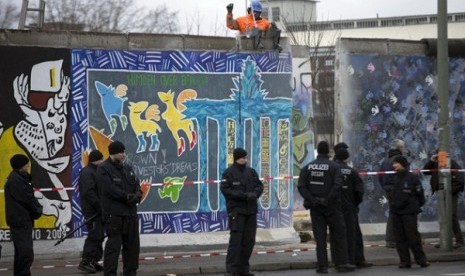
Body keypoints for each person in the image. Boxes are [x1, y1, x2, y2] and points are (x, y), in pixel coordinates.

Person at [298, 141, 355, 273]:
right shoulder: (335, 167)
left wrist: (313, 199)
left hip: (316, 208)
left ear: (318, 151)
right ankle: (342, 263)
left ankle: (322, 265)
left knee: (320, 237)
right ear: (328, 151)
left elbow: (301, 186)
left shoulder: (307, 167)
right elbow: (338, 185)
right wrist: (328, 199)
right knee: (339, 235)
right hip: (332, 207)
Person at [97, 141, 142, 276]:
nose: (124, 155)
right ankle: (110, 273)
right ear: (113, 153)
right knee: (113, 248)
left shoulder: (127, 168)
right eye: (121, 152)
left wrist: (138, 195)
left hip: (130, 214)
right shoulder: (104, 169)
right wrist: (127, 197)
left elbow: (136, 184)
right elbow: (110, 189)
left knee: (132, 248)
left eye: (124, 152)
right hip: (114, 215)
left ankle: (131, 272)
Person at [221, 148, 264, 276]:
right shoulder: (229, 173)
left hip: (251, 211)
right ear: (236, 158)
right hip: (237, 212)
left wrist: (254, 194)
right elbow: (226, 190)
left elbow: (259, 186)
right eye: (242, 157)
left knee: (249, 242)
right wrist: (243, 196)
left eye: (245, 157)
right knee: (236, 241)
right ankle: (232, 270)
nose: (245, 159)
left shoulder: (251, 172)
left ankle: (243, 269)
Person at [333, 148, 373, 269]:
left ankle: (341, 261)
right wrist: (355, 204)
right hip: (350, 208)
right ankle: (356, 259)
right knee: (353, 234)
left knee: (338, 235)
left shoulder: (332, 170)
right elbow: (359, 191)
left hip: (336, 208)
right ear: (346, 158)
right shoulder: (352, 172)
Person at [4, 154, 43, 276]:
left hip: (20, 220)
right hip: (21, 221)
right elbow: (28, 199)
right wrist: (38, 210)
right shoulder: (16, 181)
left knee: (21, 253)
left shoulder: (17, 178)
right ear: (22, 165)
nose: (28, 166)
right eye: (26, 164)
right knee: (25, 253)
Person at [389, 156, 429, 268]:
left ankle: (421, 260)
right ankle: (405, 261)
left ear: (402, 164)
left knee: (413, 237)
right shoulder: (394, 177)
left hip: (409, 213)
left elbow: (420, 195)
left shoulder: (412, 177)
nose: (394, 165)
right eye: (394, 163)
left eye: (396, 163)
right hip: (396, 212)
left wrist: (414, 207)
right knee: (399, 239)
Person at [423, 152, 464, 248]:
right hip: (441, 193)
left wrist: (449, 191)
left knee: (451, 215)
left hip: (450, 194)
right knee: (443, 216)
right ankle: (445, 239)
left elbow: (460, 180)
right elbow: (425, 171)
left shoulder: (452, 163)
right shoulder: (436, 164)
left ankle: (459, 240)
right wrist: (431, 160)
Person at [78, 149, 105, 273]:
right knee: (95, 235)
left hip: (96, 210)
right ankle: (86, 261)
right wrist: (99, 206)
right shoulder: (88, 173)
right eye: (101, 159)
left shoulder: (93, 171)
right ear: (98, 160)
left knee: (99, 235)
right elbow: (89, 193)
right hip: (92, 211)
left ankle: (94, 261)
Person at [378, 138, 405, 248]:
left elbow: (380, 176)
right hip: (398, 190)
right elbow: (404, 176)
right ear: (400, 148)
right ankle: (394, 239)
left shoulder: (385, 161)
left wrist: (385, 187)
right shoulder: (400, 160)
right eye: (403, 147)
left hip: (389, 190)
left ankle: (392, 239)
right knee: (400, 214)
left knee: (393, 213)